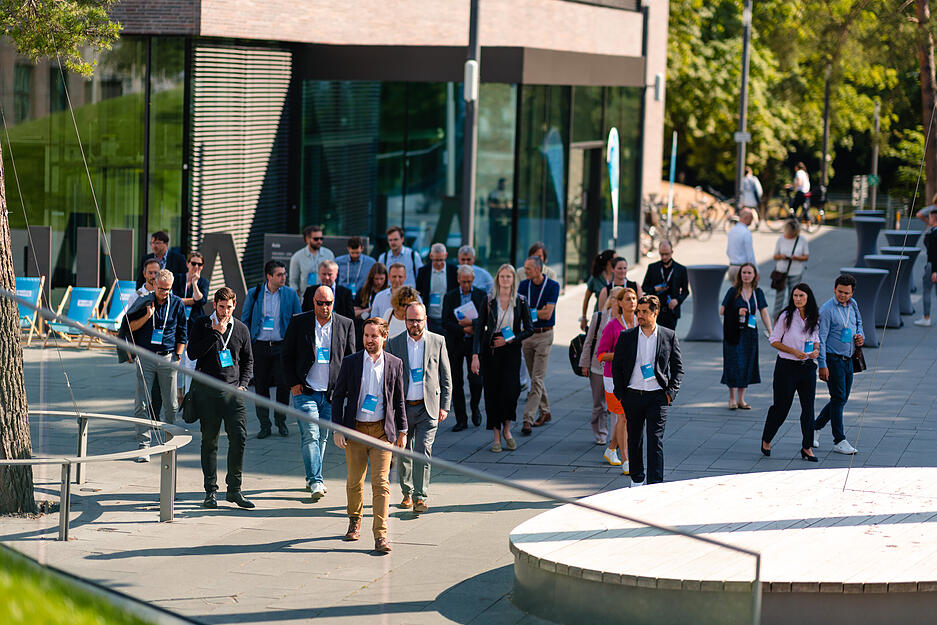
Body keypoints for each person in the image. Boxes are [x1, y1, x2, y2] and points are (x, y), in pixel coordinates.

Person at [331, 317, 407, 554]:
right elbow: (338, 396)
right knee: (354, 482)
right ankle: (354, 520)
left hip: (381, 432)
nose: (369, 340)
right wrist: (338, 428)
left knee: (381, 484)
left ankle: (381, 535)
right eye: (366, 335)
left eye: (374, 336)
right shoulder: (352, 362)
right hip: (355, 430)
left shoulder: (394, 363)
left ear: (384, 337)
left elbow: (399, 400)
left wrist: (402, 431)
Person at [281, 285, 356, 500]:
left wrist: (348, 390)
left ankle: (311, 475)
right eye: (320, 303)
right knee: (311, 435)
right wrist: (294, 383)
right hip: (305, 390)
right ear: (313, 302)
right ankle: (316, 480)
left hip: (332, 393)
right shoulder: (299, 321)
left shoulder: (345, 324)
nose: (324, 307)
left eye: (328, 303)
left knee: (322, 437)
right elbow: (286, 356)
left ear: (334, 303)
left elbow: (351, 359)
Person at [187, 287, 255, 509]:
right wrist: (215, 333)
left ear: (235, 305)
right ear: (214, 305)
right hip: (207, 392)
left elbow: (248, 361)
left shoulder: (242, 329)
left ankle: (234, 490)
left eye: (229, 307)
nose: (225, 312)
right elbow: (192, 353)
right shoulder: (202, 324)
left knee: (239, 438)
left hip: (233, 393)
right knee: (210, 442)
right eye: (221, 307)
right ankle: (210, 491)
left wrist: (243, 385)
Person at [386, 302, 452, 513]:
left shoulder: (437, 341)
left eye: (418, 320)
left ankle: (420, 496)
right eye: (410, 320)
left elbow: (446, 376)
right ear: (404, 320)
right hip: (403, 408)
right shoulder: (394, 343)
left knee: (423, 450)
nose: (414, 324)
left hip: (428, 408)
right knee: (404, 451)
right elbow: (388, 379)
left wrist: (445, 406)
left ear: (426, 320)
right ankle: (406, 493)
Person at [611, 295, 683, 486]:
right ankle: (637, 479)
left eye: (644, 312)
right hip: (632, 396)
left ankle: (654, 483)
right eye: (638, 312)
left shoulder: (669, 336)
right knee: (634, 440)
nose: (639, 315)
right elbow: (616, 366)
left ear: (655, 313)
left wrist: (670, 393)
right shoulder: (627, 336)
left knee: (655, 441)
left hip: (658, 397)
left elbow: (678, 368)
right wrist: (621, 394)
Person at [126, 269, 188, 461]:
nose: (164, 293)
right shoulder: (144, 300)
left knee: (171, 404)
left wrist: (178, 355)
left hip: (168, 357)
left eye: (168, 289)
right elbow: (129, 326)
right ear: (154, 285)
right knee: (142, 403)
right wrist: (146, 316)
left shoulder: (176, 303)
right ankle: (144, 445)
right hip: (145, 357)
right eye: (161, 289)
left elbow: (182, 332)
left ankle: (169, 443)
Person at [472, 264, 534, 452]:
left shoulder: (521, 301)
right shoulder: (489, 300)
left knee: (511, 392)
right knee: (492, 394)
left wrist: (510, 340)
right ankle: (497, 436)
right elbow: (478, 329)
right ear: (497, 279)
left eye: (509, 276)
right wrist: (475, 355)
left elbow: (529, 328)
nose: (505, 280)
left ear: (514, 279)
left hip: (511, 351)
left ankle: (507, 429)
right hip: (491, 352)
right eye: (502, 276)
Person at [241, 260, 303, 439]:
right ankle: (264, 424)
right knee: (261, 387)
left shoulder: (290, 294)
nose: (284, 277)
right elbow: (245, 319)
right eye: (280, 274)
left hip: (281, 347)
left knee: (284, 386)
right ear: (269, 276)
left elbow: (297, 321)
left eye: (284, 274)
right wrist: (247, 344)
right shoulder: (255, 293)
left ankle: (281, 421)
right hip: (259, 347)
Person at [760, 284, 820, 461]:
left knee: (808, 409)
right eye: (795, 295)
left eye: (801, 295)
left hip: (807, 367)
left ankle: (807, 447)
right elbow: (774, 341)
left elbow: (816, 339)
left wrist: (816, 350)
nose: (798, 299)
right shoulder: (786, 316)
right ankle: (767, 438)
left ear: (808, 297)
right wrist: (794, 351)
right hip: (786, 367)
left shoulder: (814, 317)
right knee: (781, 407)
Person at [814, 274, 864, 454]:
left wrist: (860, 335)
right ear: (834, 289)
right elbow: (822, 338)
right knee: (838, 398)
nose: (842, 295)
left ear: (852, 293)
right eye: (840, 292)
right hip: (833, 359)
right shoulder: (827, 310)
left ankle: (815, 427)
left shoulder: (854, 304)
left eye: (846, 293)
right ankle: (839, 439)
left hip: (849, 358)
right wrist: (822, 364)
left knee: (841, 398)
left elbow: (859, 323)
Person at [596, 287, 640, 475]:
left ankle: (611, 448)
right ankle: (626, 460)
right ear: (620, 303)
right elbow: (600, 355)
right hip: (613, 378)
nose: (631, 302)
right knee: (623, 416)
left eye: (634, 298)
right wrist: (621, 356)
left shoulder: (641, 323)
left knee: (625, 417)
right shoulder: (612, 326)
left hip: (635, 377)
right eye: (627, 299)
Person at [442, 265, 488, 431]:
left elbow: (486, 320)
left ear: (473, 280)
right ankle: (461, 419)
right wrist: (462, 329)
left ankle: (475, 408)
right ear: (458, 280)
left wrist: (471, 324)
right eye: (464, 282)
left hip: (475, 343)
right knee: (456, 381)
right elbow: (445, 321)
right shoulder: (450, 296)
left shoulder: (481, 296)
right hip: (456, 342)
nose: (466, 285)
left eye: (469, 282)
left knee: (476, 380)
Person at [720, 262, 772, 410]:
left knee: (747, 364)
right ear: (740, 275)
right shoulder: (733, 291)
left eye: (749, 273)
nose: (747, 276)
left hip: (750, 333)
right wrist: (736, 312)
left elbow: (764, 312)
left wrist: (771, 331)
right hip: (734, 332)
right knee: (733, 363)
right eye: (744, 273)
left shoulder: (758, 292)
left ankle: (741, 399)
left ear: (755, 275)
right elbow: (722, 310)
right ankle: (732, 398)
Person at [518, 255, 560, 435]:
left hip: (544, 335)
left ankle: (528, 418)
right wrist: (535, 312)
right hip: (527, 335)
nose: (525, 271)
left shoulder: (552, 286)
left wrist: (529, 312)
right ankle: (546, 411)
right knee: (536, 376)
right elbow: (521, 311)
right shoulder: (523, 285)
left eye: (528, 268)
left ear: (538, 269)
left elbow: (547, 314)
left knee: (536, 379)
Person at [579, 288, 616, 447]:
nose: (617, 301)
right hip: (597, 366)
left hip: (617, 368)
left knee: (615, 405)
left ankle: (616, 436)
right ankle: (600, 432)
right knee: (598, 403)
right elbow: (588, 341)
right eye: (614, 297)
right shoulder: (599, 317)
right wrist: (584, 363)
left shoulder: (628, 319)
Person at [174, 252, 209, 401]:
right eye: (193, 263)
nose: (196, 267)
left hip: (195, 325)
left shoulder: (203, 282)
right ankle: (179, 391)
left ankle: (189, 395)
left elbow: (201, 300)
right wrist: (192, 301)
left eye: (199, 264)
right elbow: (174, 299)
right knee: (178, 359)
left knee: (191, 361)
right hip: (179, 323)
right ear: (187, 263)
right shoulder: (179, 278)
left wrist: (195, 283)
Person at [640, 241, 689, 331]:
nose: (664, 257)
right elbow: (644, 287)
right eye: (662, 254)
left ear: (672, 252)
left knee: (669, 339)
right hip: (654, 311)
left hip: (672, 311)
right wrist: (655, 289)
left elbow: (685, 291)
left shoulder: (681, 269)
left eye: (667, 254)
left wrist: (677, 301)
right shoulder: (653, 267)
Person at [415, 243, 457, 334]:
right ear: (431, 256)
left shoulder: (453, 271)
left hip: (448, 318)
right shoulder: (423, 272)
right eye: (436, 260)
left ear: (446, 255)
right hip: (429, 318)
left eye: (441, 260)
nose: (438, 263)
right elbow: (419, 294)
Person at [771, 220, 809, 317]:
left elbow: (806, 256)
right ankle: (776, 320)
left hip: (796, 272)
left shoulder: (802, 240)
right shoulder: (781, 239)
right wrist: (782, 256)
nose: (790, 235)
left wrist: (796, 257)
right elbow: (775, 256)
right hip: (781, 272)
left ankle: (791, 318)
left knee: (794, 297)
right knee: (779, 298)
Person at [289, 224, 335, 297]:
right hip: (305, 298)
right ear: (307, 239)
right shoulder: (297, 257)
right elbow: (293, 281)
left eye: (321, 238)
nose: (319, 241)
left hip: (325, 298)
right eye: (316, 239)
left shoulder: (329, 254)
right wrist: (297, 300)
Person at [580, 249, 615, 331]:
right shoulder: (596, 278)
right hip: (600, 315)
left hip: (616, 317)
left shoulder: (618, 275)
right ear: (609, 262)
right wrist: (584, 317)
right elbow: (586, 298)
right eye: (615, 259)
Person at [354, 262, 388, 343]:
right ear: (371, 278)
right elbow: (355, 312)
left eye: (381, 279)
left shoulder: (388, 293)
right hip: (364, 329)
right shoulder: (363, 291)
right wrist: (368, 310)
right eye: (376, 279)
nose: (379, 282)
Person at [913, 209, 937, 327]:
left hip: (932, 266)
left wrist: (934, 271)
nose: (928, 220)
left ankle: (926, 317)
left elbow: (933, 253)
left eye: (930, 218)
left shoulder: (933, 234)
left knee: (927, 291)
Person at [726, 209, 757, 284]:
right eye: (751, 219)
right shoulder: (746, 232)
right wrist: (756, 271)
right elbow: (750, 255)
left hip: (732, 266)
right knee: (744, 293)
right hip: (742, 268)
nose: (751, 221)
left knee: (735, 293)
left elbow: (728, 251)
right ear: (746, 218)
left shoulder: (732, 230)